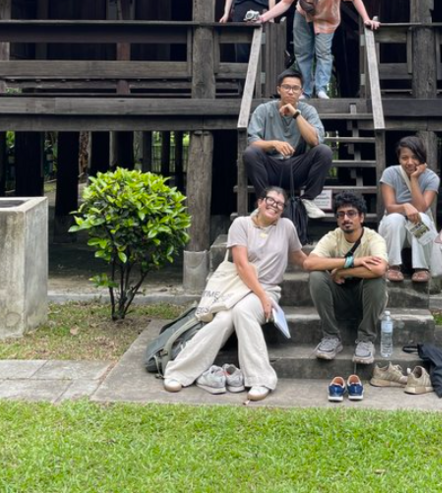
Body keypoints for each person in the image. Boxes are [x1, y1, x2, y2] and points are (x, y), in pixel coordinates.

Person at [163, 187, 305, 402]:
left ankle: (260, 378)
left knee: (243, 311)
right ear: (259, 202)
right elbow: (241, 264)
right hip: (239, 287)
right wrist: (262, 298)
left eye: (280, 204)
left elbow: (301, 258)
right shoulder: (242, 224)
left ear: (283, 209)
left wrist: (339, 264)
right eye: (270, 200)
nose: (274, 205)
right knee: (222, 321)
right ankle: (178, 372)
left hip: (268, 290)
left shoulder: (286, 227)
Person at [256, 0, 379, 99]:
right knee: (302, 52)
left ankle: (321, 88)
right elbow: (286, 2)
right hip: (303, 14)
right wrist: (263, 17)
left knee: (323, 53)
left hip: (327, 17)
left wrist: (366, 19)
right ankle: (306, 91)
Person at [303, 191, 389, 364]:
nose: (346, 219)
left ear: (361, 217)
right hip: (339, 298)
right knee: (316, 276)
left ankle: (366, 339)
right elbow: (309, 264)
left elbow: (380, 268)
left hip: (366, 300)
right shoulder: (333, 237)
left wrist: (343, 271)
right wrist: (353, 261)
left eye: (351, 213)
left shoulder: (374, 239)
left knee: (376, 279)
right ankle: (331, 337)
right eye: (341, 215)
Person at [244, 68, 333, 209]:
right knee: (250, 153)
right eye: (286, 87)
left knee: (324, 151)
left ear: (301, 92)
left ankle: (307, 201)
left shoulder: (308, 111)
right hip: (271, 166)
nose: (291, 91)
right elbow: (252, 141)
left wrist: (296, 114)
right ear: (279, 90)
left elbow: (315, 141)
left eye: (295, 88)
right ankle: (264, 201)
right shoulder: (263, 110)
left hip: (297, 167)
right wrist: (274, 144)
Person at [378, 135, 442, 284]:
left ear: (422, 157)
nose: (409, 162)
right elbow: (389, 207)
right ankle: (393, 265)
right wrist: (404, 206)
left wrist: (414, 178)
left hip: (420, 230)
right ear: (399, 158)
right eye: (404, 158)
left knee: (421, 217)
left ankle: (421, 267)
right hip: (394, 228)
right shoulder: (390, 173)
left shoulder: (431, 178)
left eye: (414, 157)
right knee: (395, 218)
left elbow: (421, 208)